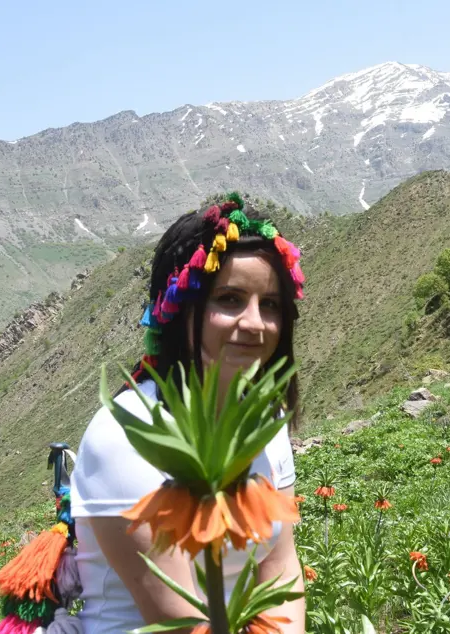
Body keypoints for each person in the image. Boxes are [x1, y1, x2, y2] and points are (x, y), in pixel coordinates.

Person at [69, 193, 306, 634]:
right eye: (230, 299)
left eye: (270, 304)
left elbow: (281, 567)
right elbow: (182, 622)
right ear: (181, 310)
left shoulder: (263, 418)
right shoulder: (127, 435)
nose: (255, 323)